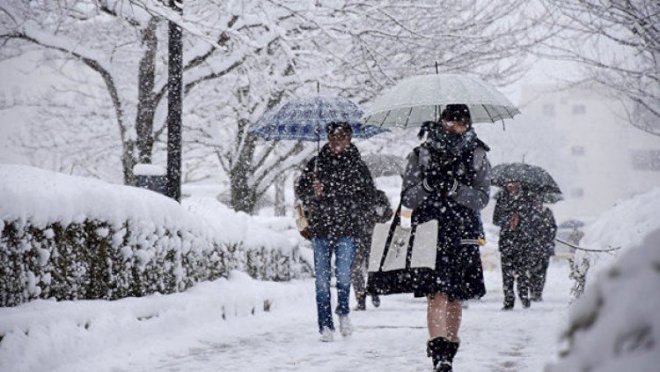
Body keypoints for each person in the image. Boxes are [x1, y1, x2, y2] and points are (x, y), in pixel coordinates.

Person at [401, 104, 490, 372]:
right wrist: (427, 186)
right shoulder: (422, 154)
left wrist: (455, 189)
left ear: (468, 124)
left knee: (455, 296)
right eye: (449, 122)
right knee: (436, 294)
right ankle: (438, 353)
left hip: (463, 232)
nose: (454, 127)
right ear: (441, 122)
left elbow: (482, 198)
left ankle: (449, 351)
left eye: (460, 122)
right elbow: (407, 198)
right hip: (430, 232)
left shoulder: (477, 155)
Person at [294, 121, 378, 342]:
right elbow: (300, 189)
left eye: (340, 139)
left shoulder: (358, 166)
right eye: (332, 139)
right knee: (321, 281)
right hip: (320, 229)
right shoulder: (316, 163)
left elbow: (370, 197)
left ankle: (343, 312)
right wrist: (313, 191)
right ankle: (325, 325)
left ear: (349, 140)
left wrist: (349, 202)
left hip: (347, 229)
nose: (335, 143)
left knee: (342, 277)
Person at [493, 182, 537, 310]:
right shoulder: (502, 199)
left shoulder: (527, 199)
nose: (511, 187)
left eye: (514, 184)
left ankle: (524, 297)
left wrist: (520, 220)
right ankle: (508, 300)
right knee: (507, 274)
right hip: (506, 242)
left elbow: (532, 219)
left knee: (522, 272)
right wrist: (508, 221)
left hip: (522, 242)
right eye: (509, 184)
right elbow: (496, 219)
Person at [351, 188, 393, 311]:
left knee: (358, 268)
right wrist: (377, 218)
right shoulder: (377, 195)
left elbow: (388, 213)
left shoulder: (354, 195)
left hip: (362, 235)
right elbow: (388, 213)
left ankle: (363, 296)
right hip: (369, 234)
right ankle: (369, 293)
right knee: (368, 266)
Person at [528, 203, 557, 301]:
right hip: (533, 247)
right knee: (532, 270)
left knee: (542, 271)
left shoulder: (547, 212)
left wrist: (548, 238)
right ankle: (533, 291)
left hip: (545, 246)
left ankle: (538, 292)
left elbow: (553, 228)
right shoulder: (529, 212)